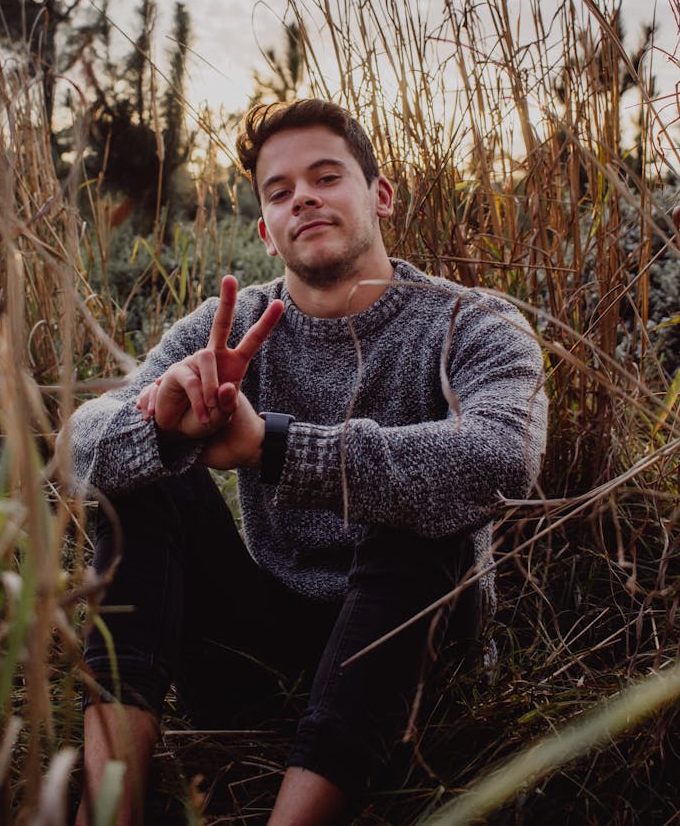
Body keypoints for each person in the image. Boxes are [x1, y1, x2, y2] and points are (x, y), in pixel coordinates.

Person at [66, 98, 548, 825]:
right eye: (281, 191)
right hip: (263, 650)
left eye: (327, 176)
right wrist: (164, 428)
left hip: (416, 662)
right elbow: (79, 446)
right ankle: (109, 811)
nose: (305, 199)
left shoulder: (471, 322)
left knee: (419, 512)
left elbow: (505, 458)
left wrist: (276, 448)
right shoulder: (223, 326)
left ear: (380, 194)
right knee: (143, 479)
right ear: (264, 228)